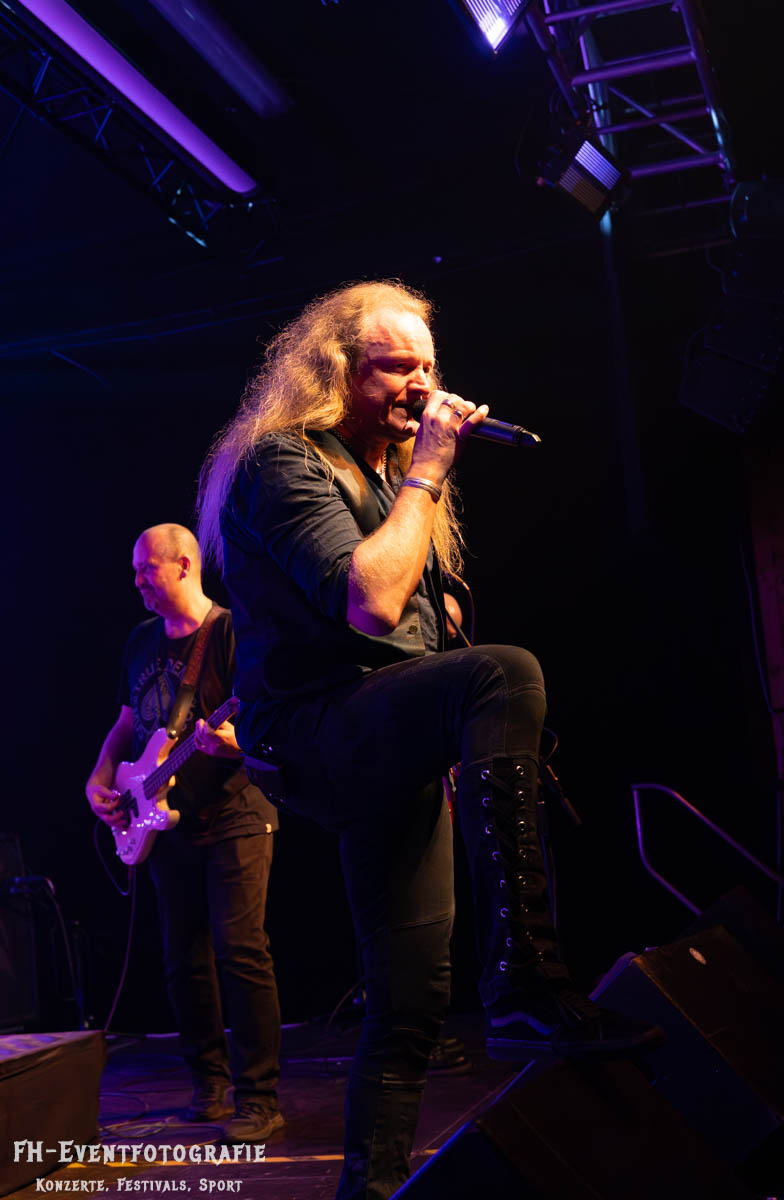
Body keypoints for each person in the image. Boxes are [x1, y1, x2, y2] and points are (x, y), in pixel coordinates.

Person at [195, 281, 661, 1198]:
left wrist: (457, 748)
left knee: (410, 999)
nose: (423, 385)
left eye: (430, 367)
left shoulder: (383, 476)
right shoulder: (282, 461)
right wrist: (429, 472)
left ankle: (368, 1189)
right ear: (336, 372)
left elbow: (419, 644)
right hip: (312, 730)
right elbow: (369, 604)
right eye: (396, 367)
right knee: (506, 671)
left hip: (383, 735)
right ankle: (525, 980)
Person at [85, 523, 283, 1144]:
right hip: (166, 820)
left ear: (185, 565)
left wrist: (233, 744)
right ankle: (209, 1085)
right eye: (135, 570)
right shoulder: (140, 641)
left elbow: (265, 717)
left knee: (241, 953)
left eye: (147, 568)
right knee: (183, 961)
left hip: (235, 813)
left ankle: (259, 1098)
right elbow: (126, 724)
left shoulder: (229, 632)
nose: (137, 580)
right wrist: (100, 776)